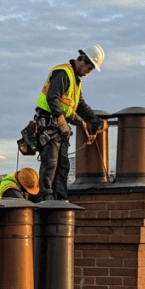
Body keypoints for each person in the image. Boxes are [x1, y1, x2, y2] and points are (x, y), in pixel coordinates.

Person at [35, 45, 106, 201]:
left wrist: (95, 122)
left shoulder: (75, 80)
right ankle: (45, 197)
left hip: (59, 128)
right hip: (49, 124)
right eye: (90, 67)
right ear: (84, 60)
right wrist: (61, 119)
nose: (90, 71)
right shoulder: (63, 73)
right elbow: (52, 98)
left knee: (63, 165)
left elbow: (80, 105)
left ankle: (60, 198)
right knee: (50, 163)